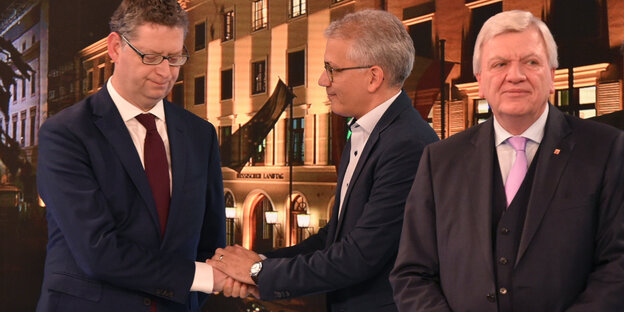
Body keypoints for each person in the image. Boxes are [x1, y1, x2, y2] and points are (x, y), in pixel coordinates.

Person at [390, 10, 624, 312]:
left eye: (531, 62)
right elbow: (411, 273)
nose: (515, 75)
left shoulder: (606, 149)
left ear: (552, 75)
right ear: (481, 81)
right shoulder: (439, 159)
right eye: (499, 64)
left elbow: (618, 266)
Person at [208, 9, 438, 312]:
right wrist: (261, 263)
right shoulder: (367, 131)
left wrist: (255, 272)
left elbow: (360, 256)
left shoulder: (407, 144)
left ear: (373, 77)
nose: (321, 80)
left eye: (332, 69)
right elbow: (335, 237)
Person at [36, 1, 228, 311]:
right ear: (115, 47)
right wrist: (204, 277)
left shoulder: (200, 135)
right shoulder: (65, 134)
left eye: (175, 57)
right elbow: (97, 251)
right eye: (150, 57)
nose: (165, 72)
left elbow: (211, 238)